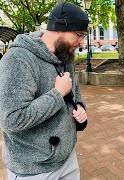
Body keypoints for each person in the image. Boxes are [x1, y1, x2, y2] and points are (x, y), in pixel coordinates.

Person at [0, 2, 88, 179]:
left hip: (66, 158)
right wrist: (57, 94)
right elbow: (12, 120)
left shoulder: (65, 55)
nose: (81, 42)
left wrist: (80, 107)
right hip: (33, 169)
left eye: (84, 36)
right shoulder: (18, 60)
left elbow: (73, 90)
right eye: (79, 35)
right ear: (58, 28)